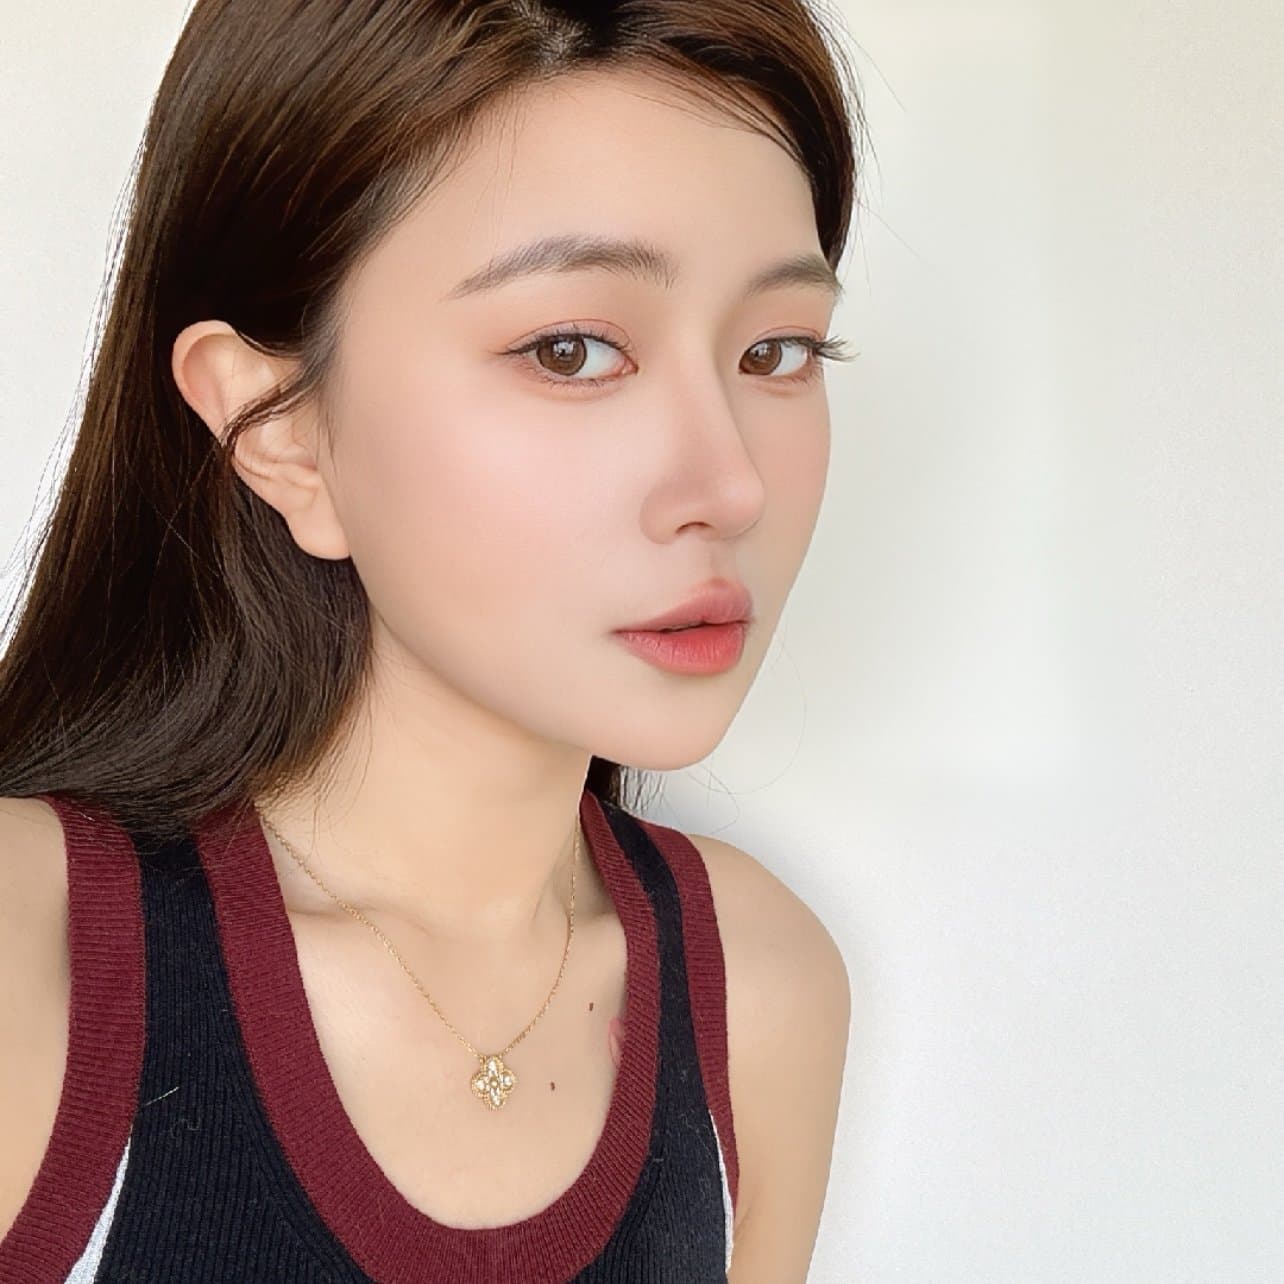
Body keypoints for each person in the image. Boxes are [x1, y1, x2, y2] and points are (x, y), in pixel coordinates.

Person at [0, 1, 865, 1279]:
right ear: (278, 431)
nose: (731, 485)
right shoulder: (33, 955)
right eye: (570, 350)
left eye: (776, 349)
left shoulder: (761, 988)